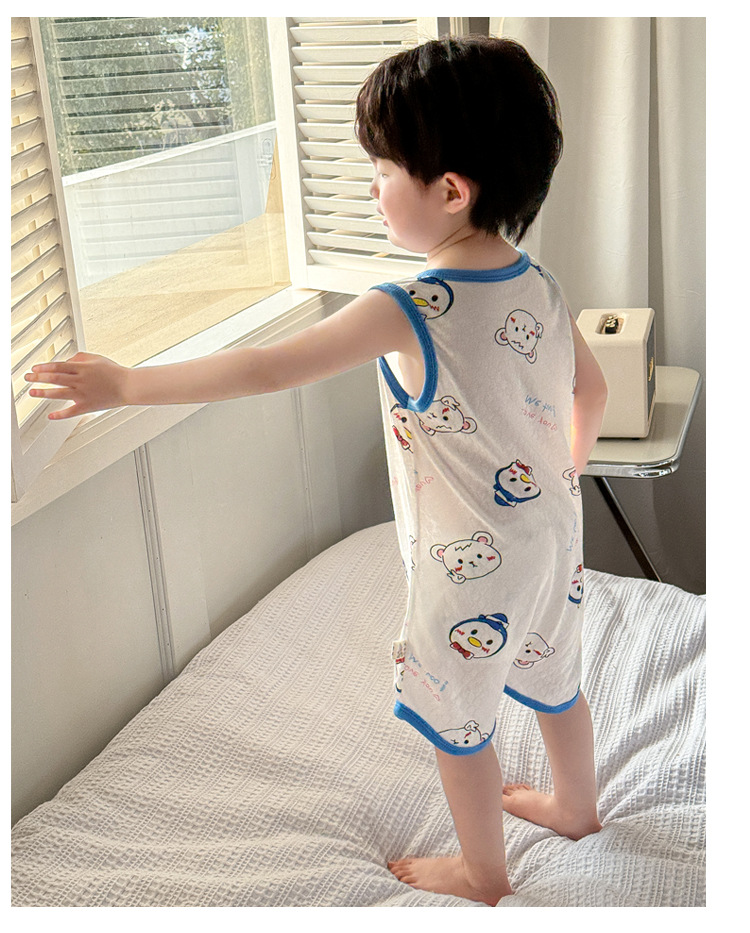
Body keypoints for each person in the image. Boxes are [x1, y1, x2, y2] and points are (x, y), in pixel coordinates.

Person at [25, 36, 608, 906]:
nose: (370, 187)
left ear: (451, 191)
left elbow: (268, 369)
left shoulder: (409, 306)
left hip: (470, 565)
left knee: (456, 716)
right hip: (553, 534)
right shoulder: (543, 285)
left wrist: (126, 385)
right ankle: (576, 807)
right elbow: (591, 391)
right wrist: (559, 479)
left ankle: (484, 873)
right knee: (556, 680)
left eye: (382, 169)